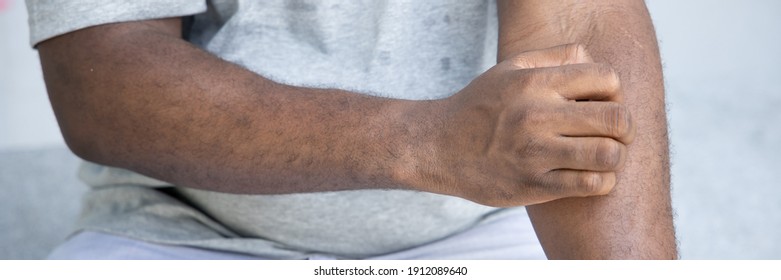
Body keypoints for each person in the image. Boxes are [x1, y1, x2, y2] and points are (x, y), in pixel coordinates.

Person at [28, 0, 676, 259]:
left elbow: (578, 34)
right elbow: (103, 82)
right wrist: (424, 143)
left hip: (483, 227)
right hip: (182, 229)